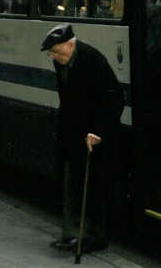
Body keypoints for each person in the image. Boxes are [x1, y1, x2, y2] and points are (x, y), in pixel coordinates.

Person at [41, 23, 123, 254]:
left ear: (70, 44)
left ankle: (94, 238)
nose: (54, 57)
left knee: (92, 186)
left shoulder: (92, 60)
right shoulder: (62, 61)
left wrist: (98, 131)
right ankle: (71, 235)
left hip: (93, 134)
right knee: (69, 184)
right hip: (71, 132)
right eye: (52, 53)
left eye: (57, 51)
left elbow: (113, 98)